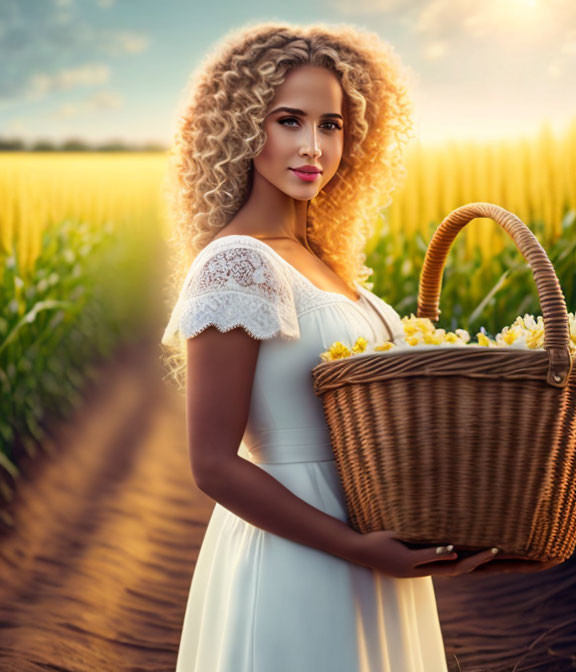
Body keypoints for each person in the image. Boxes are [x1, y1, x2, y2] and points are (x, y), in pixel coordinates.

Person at [159, 21, 500, 672]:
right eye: (289, 120)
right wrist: (360, 548)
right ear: (240, 127)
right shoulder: (237, 262)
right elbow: (212, 463)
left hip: (368, 545)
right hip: (298, 556)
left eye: (331, 124)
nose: (313, 146)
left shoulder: (324, 262)